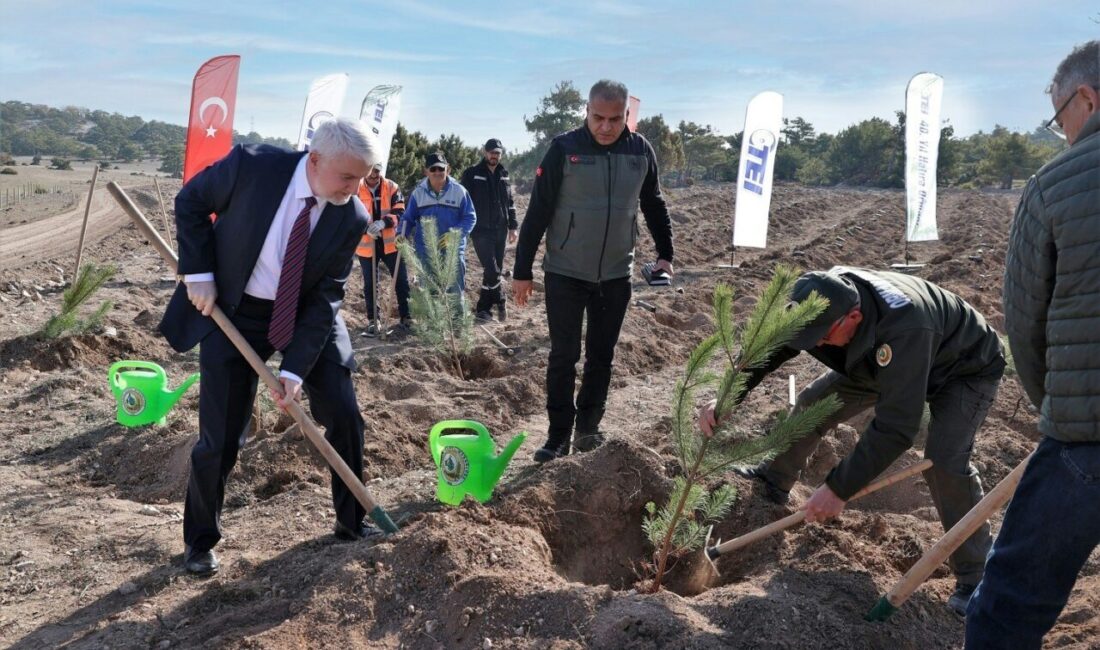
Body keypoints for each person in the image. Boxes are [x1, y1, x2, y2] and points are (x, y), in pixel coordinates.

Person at [698, 267, 1005, 616]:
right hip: (877, 357)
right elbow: (774, 345)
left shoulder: (905, 327)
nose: (816, 345)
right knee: (815, 403)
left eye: (823, 337)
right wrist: (728, 395)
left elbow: (896, 427)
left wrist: (838, 488)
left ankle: (978, 577)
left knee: (943, 461)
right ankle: (773, 480)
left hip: (964, 367)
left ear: (854, 317)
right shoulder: (823, 297)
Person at [160, 118, 381, 576]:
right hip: (234, 307)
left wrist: (295, 371)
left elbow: (326, 299)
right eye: (347, 177)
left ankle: (353, 522)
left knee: (343, 412)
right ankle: (200, 541)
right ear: (315, 160)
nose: (355, 187)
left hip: (305, 314)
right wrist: (199, 273)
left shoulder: (351, 215)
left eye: (362, 177)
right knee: (221, 434)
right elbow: (192, 202)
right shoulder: (253, 167)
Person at [966, 41, 1100, 648]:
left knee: (1004, 612)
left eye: (1058, 116)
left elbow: (1024, 322)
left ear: (1087, 99)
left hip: (1085, 440)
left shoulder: (1053, 185)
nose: (1060, 131)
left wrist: (1062, 406)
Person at [512, 79, 674, 463]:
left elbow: (653, 203)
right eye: (597, 117)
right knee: (563, 356)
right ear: (586, 111)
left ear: (626, 116)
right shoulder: (564, 149)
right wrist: (522, 271)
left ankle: (588, 430)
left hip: (616, 274)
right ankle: (556, 437)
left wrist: (666, 254)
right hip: (566, 272)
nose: (604, 126)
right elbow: (537, 213)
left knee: (602, 355)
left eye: (614, 119)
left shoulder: (640, 151)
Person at [398, 151, 476, 300]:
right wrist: (400, 234)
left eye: (441, 168)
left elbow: (470, 217)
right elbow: (407, 218)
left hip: (452, 252)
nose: (437, 172)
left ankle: (456, 323)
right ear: (426, 171)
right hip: (425, 252)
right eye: (433, 169)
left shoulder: (459, 191)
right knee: (429, 296)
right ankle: (431, 324)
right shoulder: (418, 194)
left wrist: (454, 235)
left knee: (454, 295)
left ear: (448, 169)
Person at [461, 138, 518, 322]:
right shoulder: (472, 173)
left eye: (498, 153)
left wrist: (513, 227)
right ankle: (501, 300)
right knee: (492, 269)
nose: (495, 156)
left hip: (500, 229)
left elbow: (510, 203)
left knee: (494, 270)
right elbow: (464, 202)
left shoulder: (504, 174)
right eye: (492, 152)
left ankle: (483, 310)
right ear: (485, 152)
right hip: (480, 230)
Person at [355, 162, 411, 336]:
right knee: (371, 284)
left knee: (401, 279)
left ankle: (406, 317)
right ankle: (374, 321)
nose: (374, 174)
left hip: (390, 243)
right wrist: (366, 229)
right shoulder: (355, 188)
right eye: (371, 170)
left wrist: (384, 222)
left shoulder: (391, 187)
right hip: (367, 244)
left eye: (377, 171)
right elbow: (349, 214)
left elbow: (400, 211)